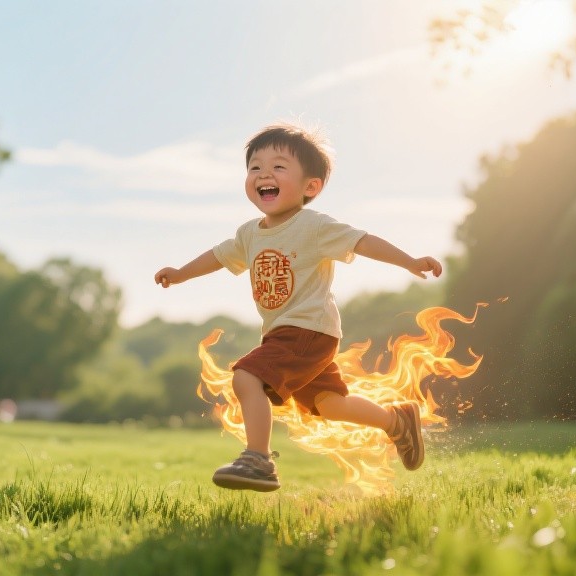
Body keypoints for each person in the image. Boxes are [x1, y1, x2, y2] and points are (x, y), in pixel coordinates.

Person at [154, 123, 442, 492]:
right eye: (255, 167)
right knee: (329, 404)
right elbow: (218, 255)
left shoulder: (313, 225)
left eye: (278, 167)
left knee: (247, 376)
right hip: (290, 333)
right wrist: (180, 274)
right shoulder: (250, 233)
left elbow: (363, 241)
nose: (264, 175)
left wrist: (409, 261)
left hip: (308, 329)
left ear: (311, 187)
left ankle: (258, 459)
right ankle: (396, 421)